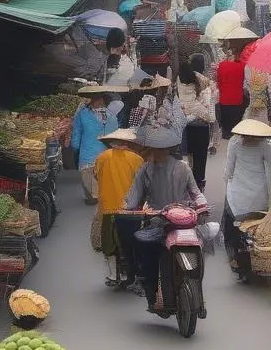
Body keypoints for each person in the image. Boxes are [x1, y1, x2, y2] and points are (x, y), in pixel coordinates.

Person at [123, 128, 208, 311]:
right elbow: (133, 199)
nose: (159, 153)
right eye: (156, 149)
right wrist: (129, 209)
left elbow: (196, 193)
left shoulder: (181, 168)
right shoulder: (146, 170)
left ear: (169, 149)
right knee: (147, 253)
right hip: (159, 222)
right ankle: (152, 292)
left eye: (162, 149)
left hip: (179, 222)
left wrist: (202, 207)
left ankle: (196, 299)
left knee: (197, 253)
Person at [94, 129, 146, 285]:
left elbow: (97, 176)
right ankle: (128, 273)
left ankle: (112, 274)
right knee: (128, 243)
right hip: (129, 208)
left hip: (107, 206)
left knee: (109, 242)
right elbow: (142, 183)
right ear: (128, 144)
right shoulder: (136, 159)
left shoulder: (102, 157)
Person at [223, 120, 271, 261]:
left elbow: (229, 169)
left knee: (237, 222)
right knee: (255, 223)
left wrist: (227, 179)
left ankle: (237, 254)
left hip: (239, 190)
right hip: (259, 191)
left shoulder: (234, 143)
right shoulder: (265, 146)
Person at [71, 86, 119, 205]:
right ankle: (100, 195)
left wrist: (75, 146)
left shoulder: (83, 114)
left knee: (87, 175)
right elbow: (115, 134)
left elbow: (77, 132)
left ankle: (93, 197)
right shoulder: (112, 116)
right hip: (105, 153)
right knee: (101, 175)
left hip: (88, 152)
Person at [176, 62, 214, 191]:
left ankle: (186, 184)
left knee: (185, 157)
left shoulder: (176, 82)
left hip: (185, 126)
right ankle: (199, 184)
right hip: (201, 126)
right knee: (200, 157)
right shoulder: (198, 81)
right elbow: (209, 114)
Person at [215, 30, 258, 138]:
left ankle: (226, 134)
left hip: (224, 98)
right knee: (236, 121)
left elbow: (219, 82)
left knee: (226, 122)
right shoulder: (243, 66)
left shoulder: (222, 65)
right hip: (237, 99)